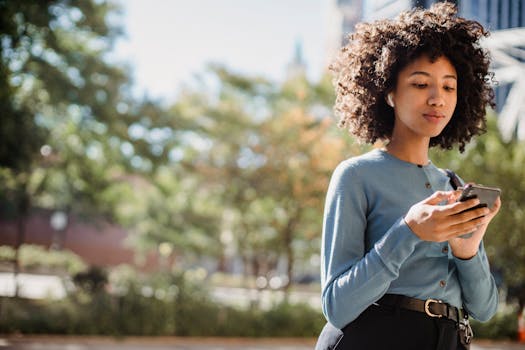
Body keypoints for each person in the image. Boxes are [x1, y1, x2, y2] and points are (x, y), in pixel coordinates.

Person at [316, 3, 501, 350]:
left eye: (449, 87)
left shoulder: (455, 187)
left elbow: (486, 309)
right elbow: (336, 307)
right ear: (388, 91)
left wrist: (467, 250)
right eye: (420, 84)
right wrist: (409, 230)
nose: (437, 98)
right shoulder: (356, 176)